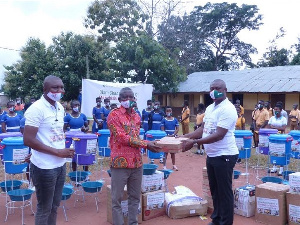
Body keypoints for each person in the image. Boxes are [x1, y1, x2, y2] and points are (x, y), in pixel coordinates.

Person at [181, 79, 238, 225]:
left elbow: (219, 134)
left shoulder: (228, 109)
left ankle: (226, 222)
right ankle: (217, 219)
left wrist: (194, 143)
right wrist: (183, 137)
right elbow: (202, 130)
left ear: (225, 90)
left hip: (224, 154)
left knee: (224, 192)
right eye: (211, 88)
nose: (214, 91)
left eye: (217, 88)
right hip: (212, 155)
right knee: (215, 190)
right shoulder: (210, 108)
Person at [23, 75, 75, 225]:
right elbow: (28, 139)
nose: (59, 90)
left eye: (61, 87)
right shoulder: (36, 109)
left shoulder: (59, 107)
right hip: (44, 167)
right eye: (55, 87)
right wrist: (58, 152)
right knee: (44, 208)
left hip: (59, 165)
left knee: (54, 205)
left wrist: (62, 151)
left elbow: (51, 134)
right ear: (45, 89)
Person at [107, 87, 161, 225]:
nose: (128, 100)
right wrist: (146, 144)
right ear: (119, 100)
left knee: (135, 197)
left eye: (131, 97)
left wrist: (145, 144)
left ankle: (133, 222)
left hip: (136, 162)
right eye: (125, 98)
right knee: (116, 199)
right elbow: (121, 138)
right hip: (120, 164)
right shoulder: (114, 115)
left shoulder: (137, 116)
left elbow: (135, 136)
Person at [63, 100, 89, 172]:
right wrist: (68, 134)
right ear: (71, 107)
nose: (77, 107)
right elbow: (64, 129)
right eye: (75, 105)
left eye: (78, 105)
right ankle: (75, 173)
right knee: (73, 155)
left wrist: (85, 129)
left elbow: (87, 127)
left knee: (84, 154)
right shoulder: (67, 117)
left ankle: (86, 174)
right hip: (72, 137)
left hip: (82, 137)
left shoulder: (83, 116)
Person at [266, 103, 287, 175]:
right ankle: (274, 167)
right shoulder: (272, 118)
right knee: (273, 152)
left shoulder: (284, 119)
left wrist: (274, 127)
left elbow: (283, 128)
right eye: (274, 109)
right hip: (273, 139)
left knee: (280, 153)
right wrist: (277, 128)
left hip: (281, 139)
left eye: (277, 109)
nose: (275, 111)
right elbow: (269, 126)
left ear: (281, 110)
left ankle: (281, 169)